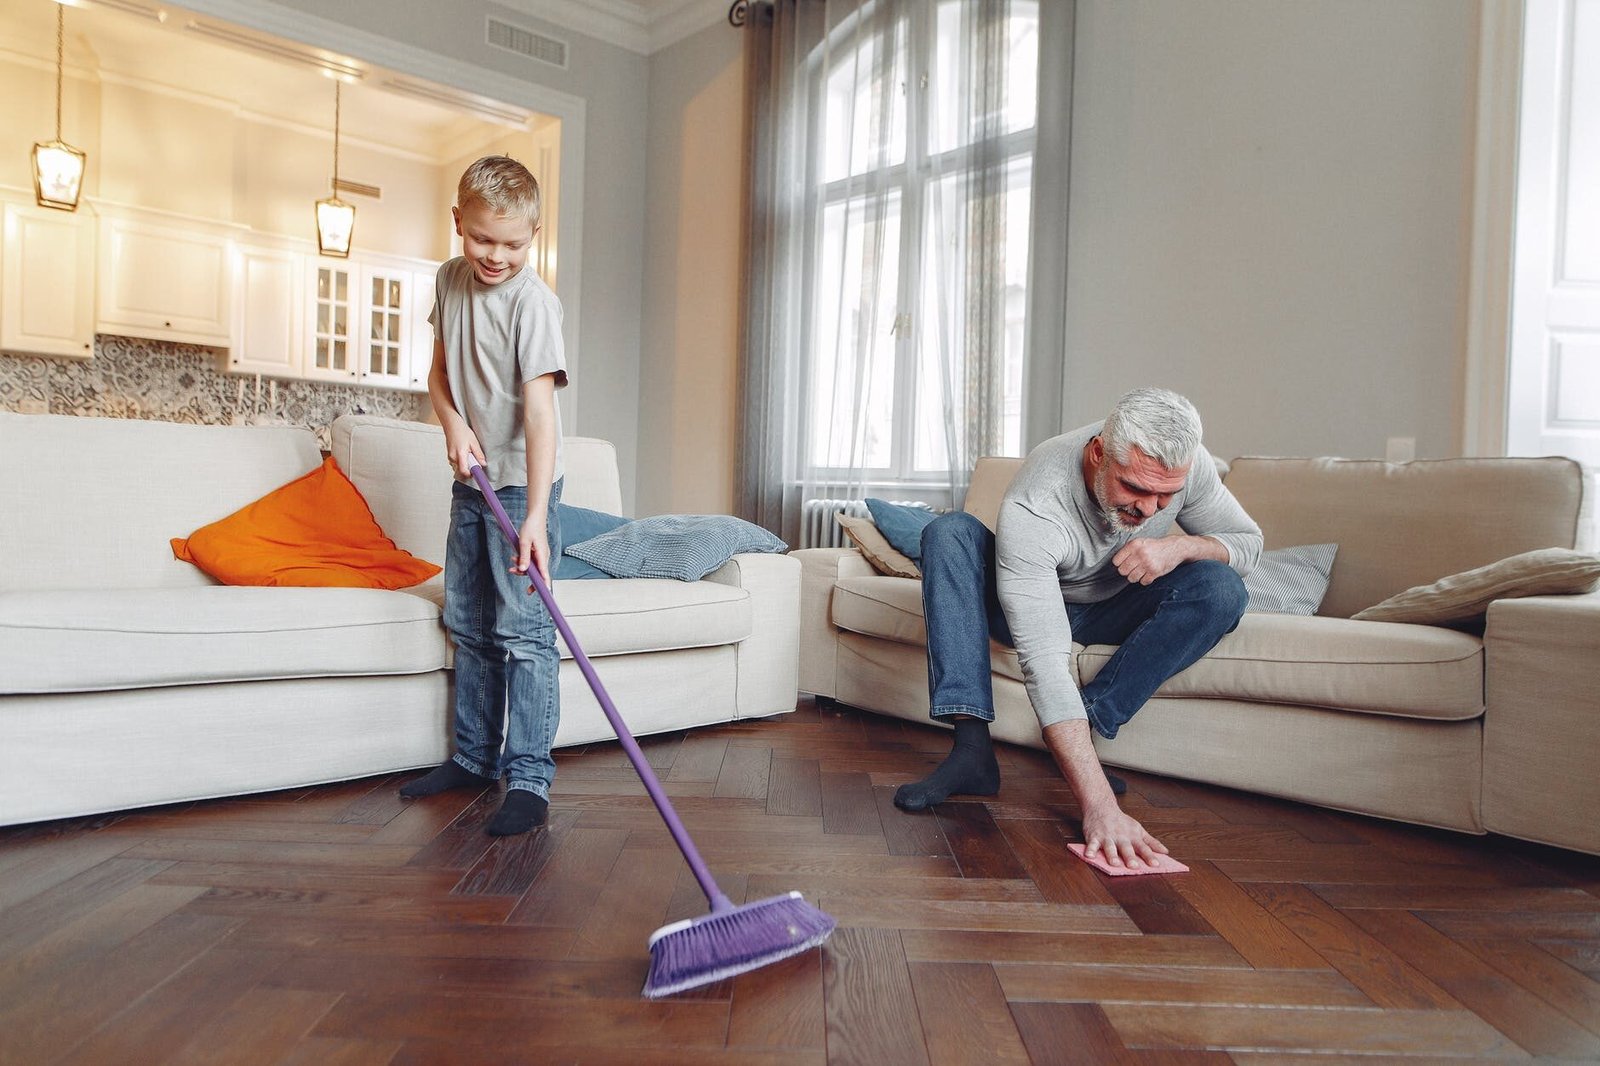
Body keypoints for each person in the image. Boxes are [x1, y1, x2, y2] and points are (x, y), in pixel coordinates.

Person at [894, 387, 1262, 868]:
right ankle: (971, 752)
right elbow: (1045, 663)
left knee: (1221, 589)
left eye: (1165, 496)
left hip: (1113, 601)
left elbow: (1249, 543)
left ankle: (1086, 725)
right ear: (1098, 454)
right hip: (1024, 599)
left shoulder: (1187, 470)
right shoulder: (1037, 500)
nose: (1150, 509)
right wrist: (1100, 809)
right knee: (948, 533)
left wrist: (1180, 547)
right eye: (1134, 489)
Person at [398, 156, 568, 837]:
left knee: (524, 635)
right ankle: (473, 758)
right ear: (457, 224)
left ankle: (528, 779)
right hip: (473, 484)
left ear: (534, 234)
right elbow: (437, 376)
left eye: (513, 243)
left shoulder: (535, 304)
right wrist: (453, 422)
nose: (496, 256)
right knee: (469, 625)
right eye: (482, 239)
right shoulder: (448, 279)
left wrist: (534, 518)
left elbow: (539, 414)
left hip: (523, 483)